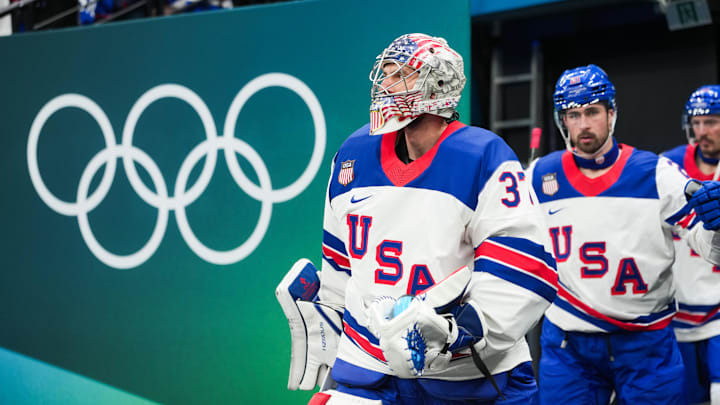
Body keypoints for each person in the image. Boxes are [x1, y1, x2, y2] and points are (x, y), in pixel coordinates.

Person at [278, 33, 558, 405]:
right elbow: (341, 263)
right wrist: (331, 320)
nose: (386, 85)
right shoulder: (353, 155)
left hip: (465, 373)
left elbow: (525, 267)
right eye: (386, 74)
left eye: (400, 75)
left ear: (440, 87)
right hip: (370, 366)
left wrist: (459, 331)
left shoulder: (482, 156)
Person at [528, 65, 720, 405]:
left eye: (592, 112)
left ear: (611, 113)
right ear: (562, 120)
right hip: (568, 344)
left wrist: (716, 226)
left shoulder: (657, 173)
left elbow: (710, 251)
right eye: (573, 114)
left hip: (646, 343)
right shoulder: (539, 175)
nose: (583, 124)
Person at [663, 85, 720, 405]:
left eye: (711, 121)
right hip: (679, 313)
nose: (702, 131)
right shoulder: (668, 169)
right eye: (696, 123)